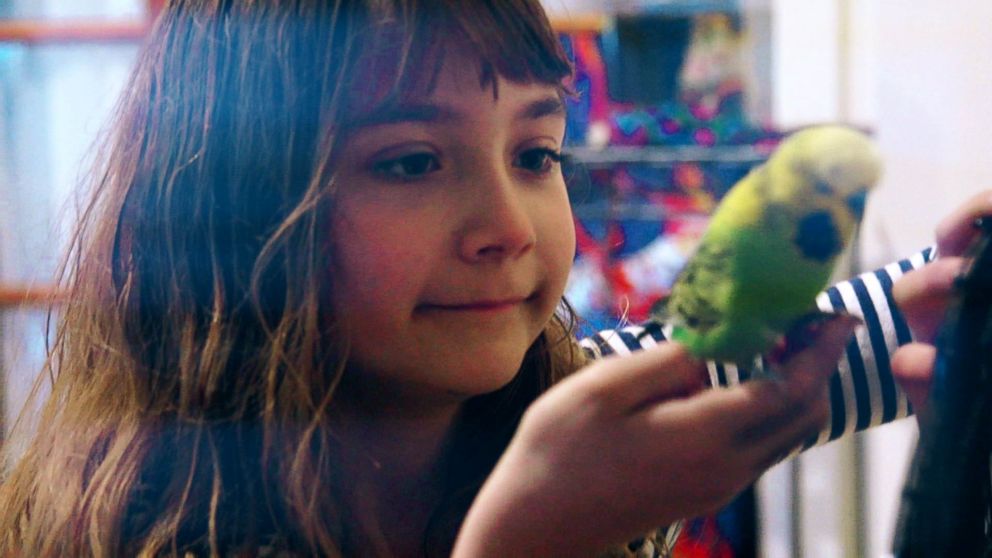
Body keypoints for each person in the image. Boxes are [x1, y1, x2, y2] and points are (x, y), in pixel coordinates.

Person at [0, 1, 970, 556]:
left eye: (535, 154)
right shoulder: (136, 531)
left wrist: (959, 281)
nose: (506, 228)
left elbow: (881, 324)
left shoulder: (589, 408)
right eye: (412, 161)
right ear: (237, 205)